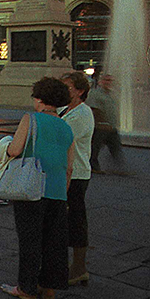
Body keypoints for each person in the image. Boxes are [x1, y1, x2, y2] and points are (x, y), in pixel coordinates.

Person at [1, 77, 75, 299]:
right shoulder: (66, 126)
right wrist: (64, 192)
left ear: (40, 99)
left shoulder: (31, 119)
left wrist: (3, 148)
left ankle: (27, 288)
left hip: (32, 188)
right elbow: (69, 166)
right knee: (54, 241)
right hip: (58, 190)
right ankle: (49, 288)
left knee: (30, 239)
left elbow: (15, 150)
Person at [60, 71, 94, 286]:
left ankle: (80, 267)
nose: (64, 91)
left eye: (68, 87)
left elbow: (62, 138)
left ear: (80, 91)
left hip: (77, 174)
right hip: (64, 172)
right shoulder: (66, 109)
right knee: (65, 220)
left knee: (76, 220)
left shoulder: (82, 114)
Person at [88, 74, 126, 174]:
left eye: (110, 80)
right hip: (101, 126)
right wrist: (101, 122)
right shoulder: (95, 94)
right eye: (106, 80)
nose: (108, 82)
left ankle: (119, 168)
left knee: (116, 147)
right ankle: (93, 167)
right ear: (100, 81)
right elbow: (94, 109)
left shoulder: (111, 94)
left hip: (111, 127)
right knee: (95, 148)